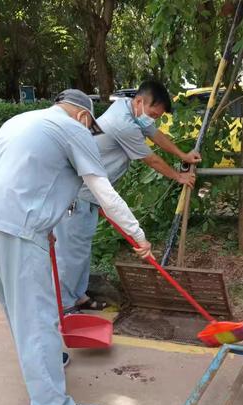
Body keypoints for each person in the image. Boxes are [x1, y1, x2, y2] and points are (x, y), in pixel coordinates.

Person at [0, 89, 152, 405]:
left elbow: (24, 177)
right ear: (84, 117)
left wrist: (46, 225)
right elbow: (104, 193)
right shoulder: (75, 129)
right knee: (37, 315)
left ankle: (48, 361)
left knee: (18, 308)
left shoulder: (21, 120)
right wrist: (139, 238)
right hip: (19, 227)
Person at [55, 80, 201, 312]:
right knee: (70, 252)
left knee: (81, 249)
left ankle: (78, 296)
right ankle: (64, 307)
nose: (152, 119)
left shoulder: (128, 108)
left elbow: (155, 135)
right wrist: (178, 176)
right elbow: (150, 158)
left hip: (92, 194)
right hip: (80, 194)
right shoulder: (122, 123)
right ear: (140, 101)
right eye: (153, 113)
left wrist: (183, 155)